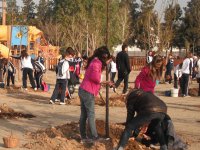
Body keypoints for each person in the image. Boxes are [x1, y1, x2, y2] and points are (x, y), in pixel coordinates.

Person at [78, 46, 111, 143]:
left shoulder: (94, 61)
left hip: (83, 89)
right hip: (88, 91)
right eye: (106, 58)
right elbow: (96, 78)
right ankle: (94, 137)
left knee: (84, 115)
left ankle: (84, 137)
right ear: (103, 56)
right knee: (91, 115)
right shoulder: (97, 63)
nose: (107, 60)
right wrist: (106, 82)